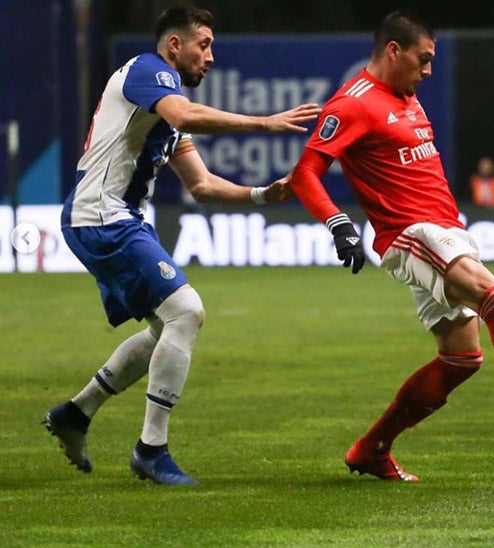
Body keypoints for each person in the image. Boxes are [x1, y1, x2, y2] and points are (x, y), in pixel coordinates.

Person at [289, 11, 494, 482]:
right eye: (423, 60)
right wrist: (338, 223)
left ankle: (371, 449)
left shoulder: (407, 98)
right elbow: (306, 173)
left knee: (462, 359)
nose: (429, 71)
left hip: (446, 230)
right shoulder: (353, 103)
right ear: (393, 51)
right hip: (411, 234)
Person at [43, 6, 320, 485]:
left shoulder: (167, 113)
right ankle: (151, 451)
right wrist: (265, 123)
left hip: (119, 218)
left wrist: (261, 194)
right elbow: (185, 112)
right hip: (102, 216)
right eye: (203, 45)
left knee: (164, 328)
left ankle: (77, 412)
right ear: (175, 45)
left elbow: (203, 185)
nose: (210, 57)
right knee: (186, 312)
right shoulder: (149, 72)